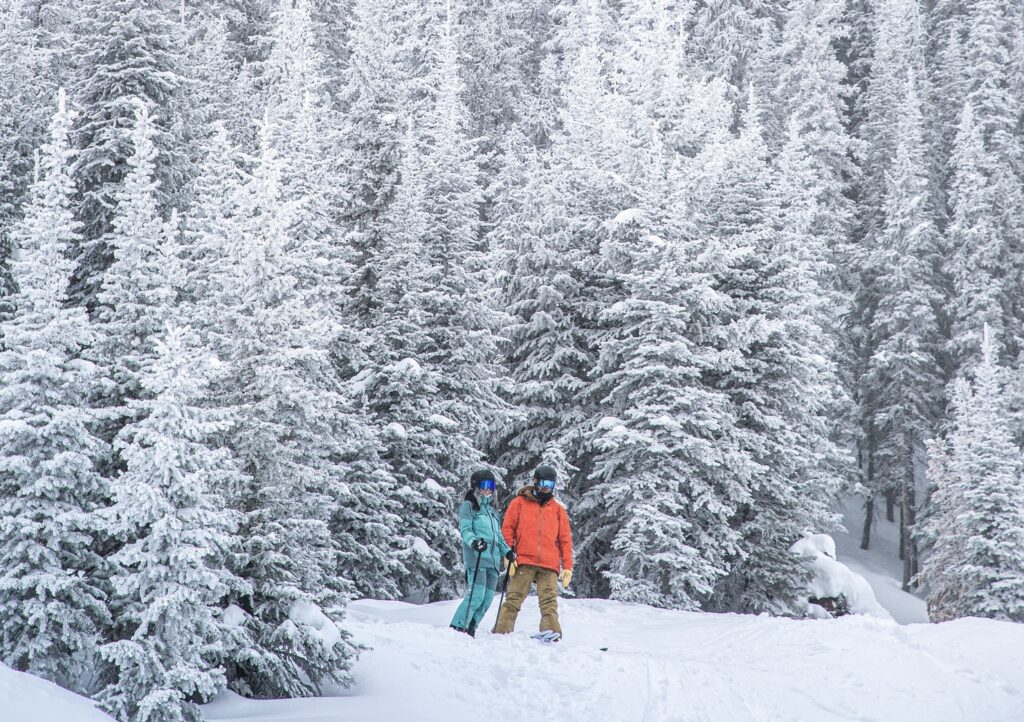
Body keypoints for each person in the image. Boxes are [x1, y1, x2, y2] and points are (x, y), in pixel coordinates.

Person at [493, 464, 573, 640]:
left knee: (549, 602)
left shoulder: (558, 510)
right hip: (524, 561)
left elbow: (565, 540)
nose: (546, 488)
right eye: (543, 483)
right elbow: (507, 531)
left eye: (550, 485)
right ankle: (501, 632)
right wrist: (508, 555)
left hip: (549, 563)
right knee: (514, 598)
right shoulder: (519, 503)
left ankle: (552, 633)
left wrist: (567, 566)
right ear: (535, 482)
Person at [450, 469, 514, 637]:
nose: (489, 489)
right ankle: (458, 626)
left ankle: (471, 626)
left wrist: (507, 552)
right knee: (476, 595)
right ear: (476, 486)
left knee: (487, 599)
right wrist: (474, 542)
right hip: (477, 557)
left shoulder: (492, 512)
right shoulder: (469, 506)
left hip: (493, 562)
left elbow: (498, 537)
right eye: (485, 485)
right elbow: (465, 530)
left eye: (492, 486)